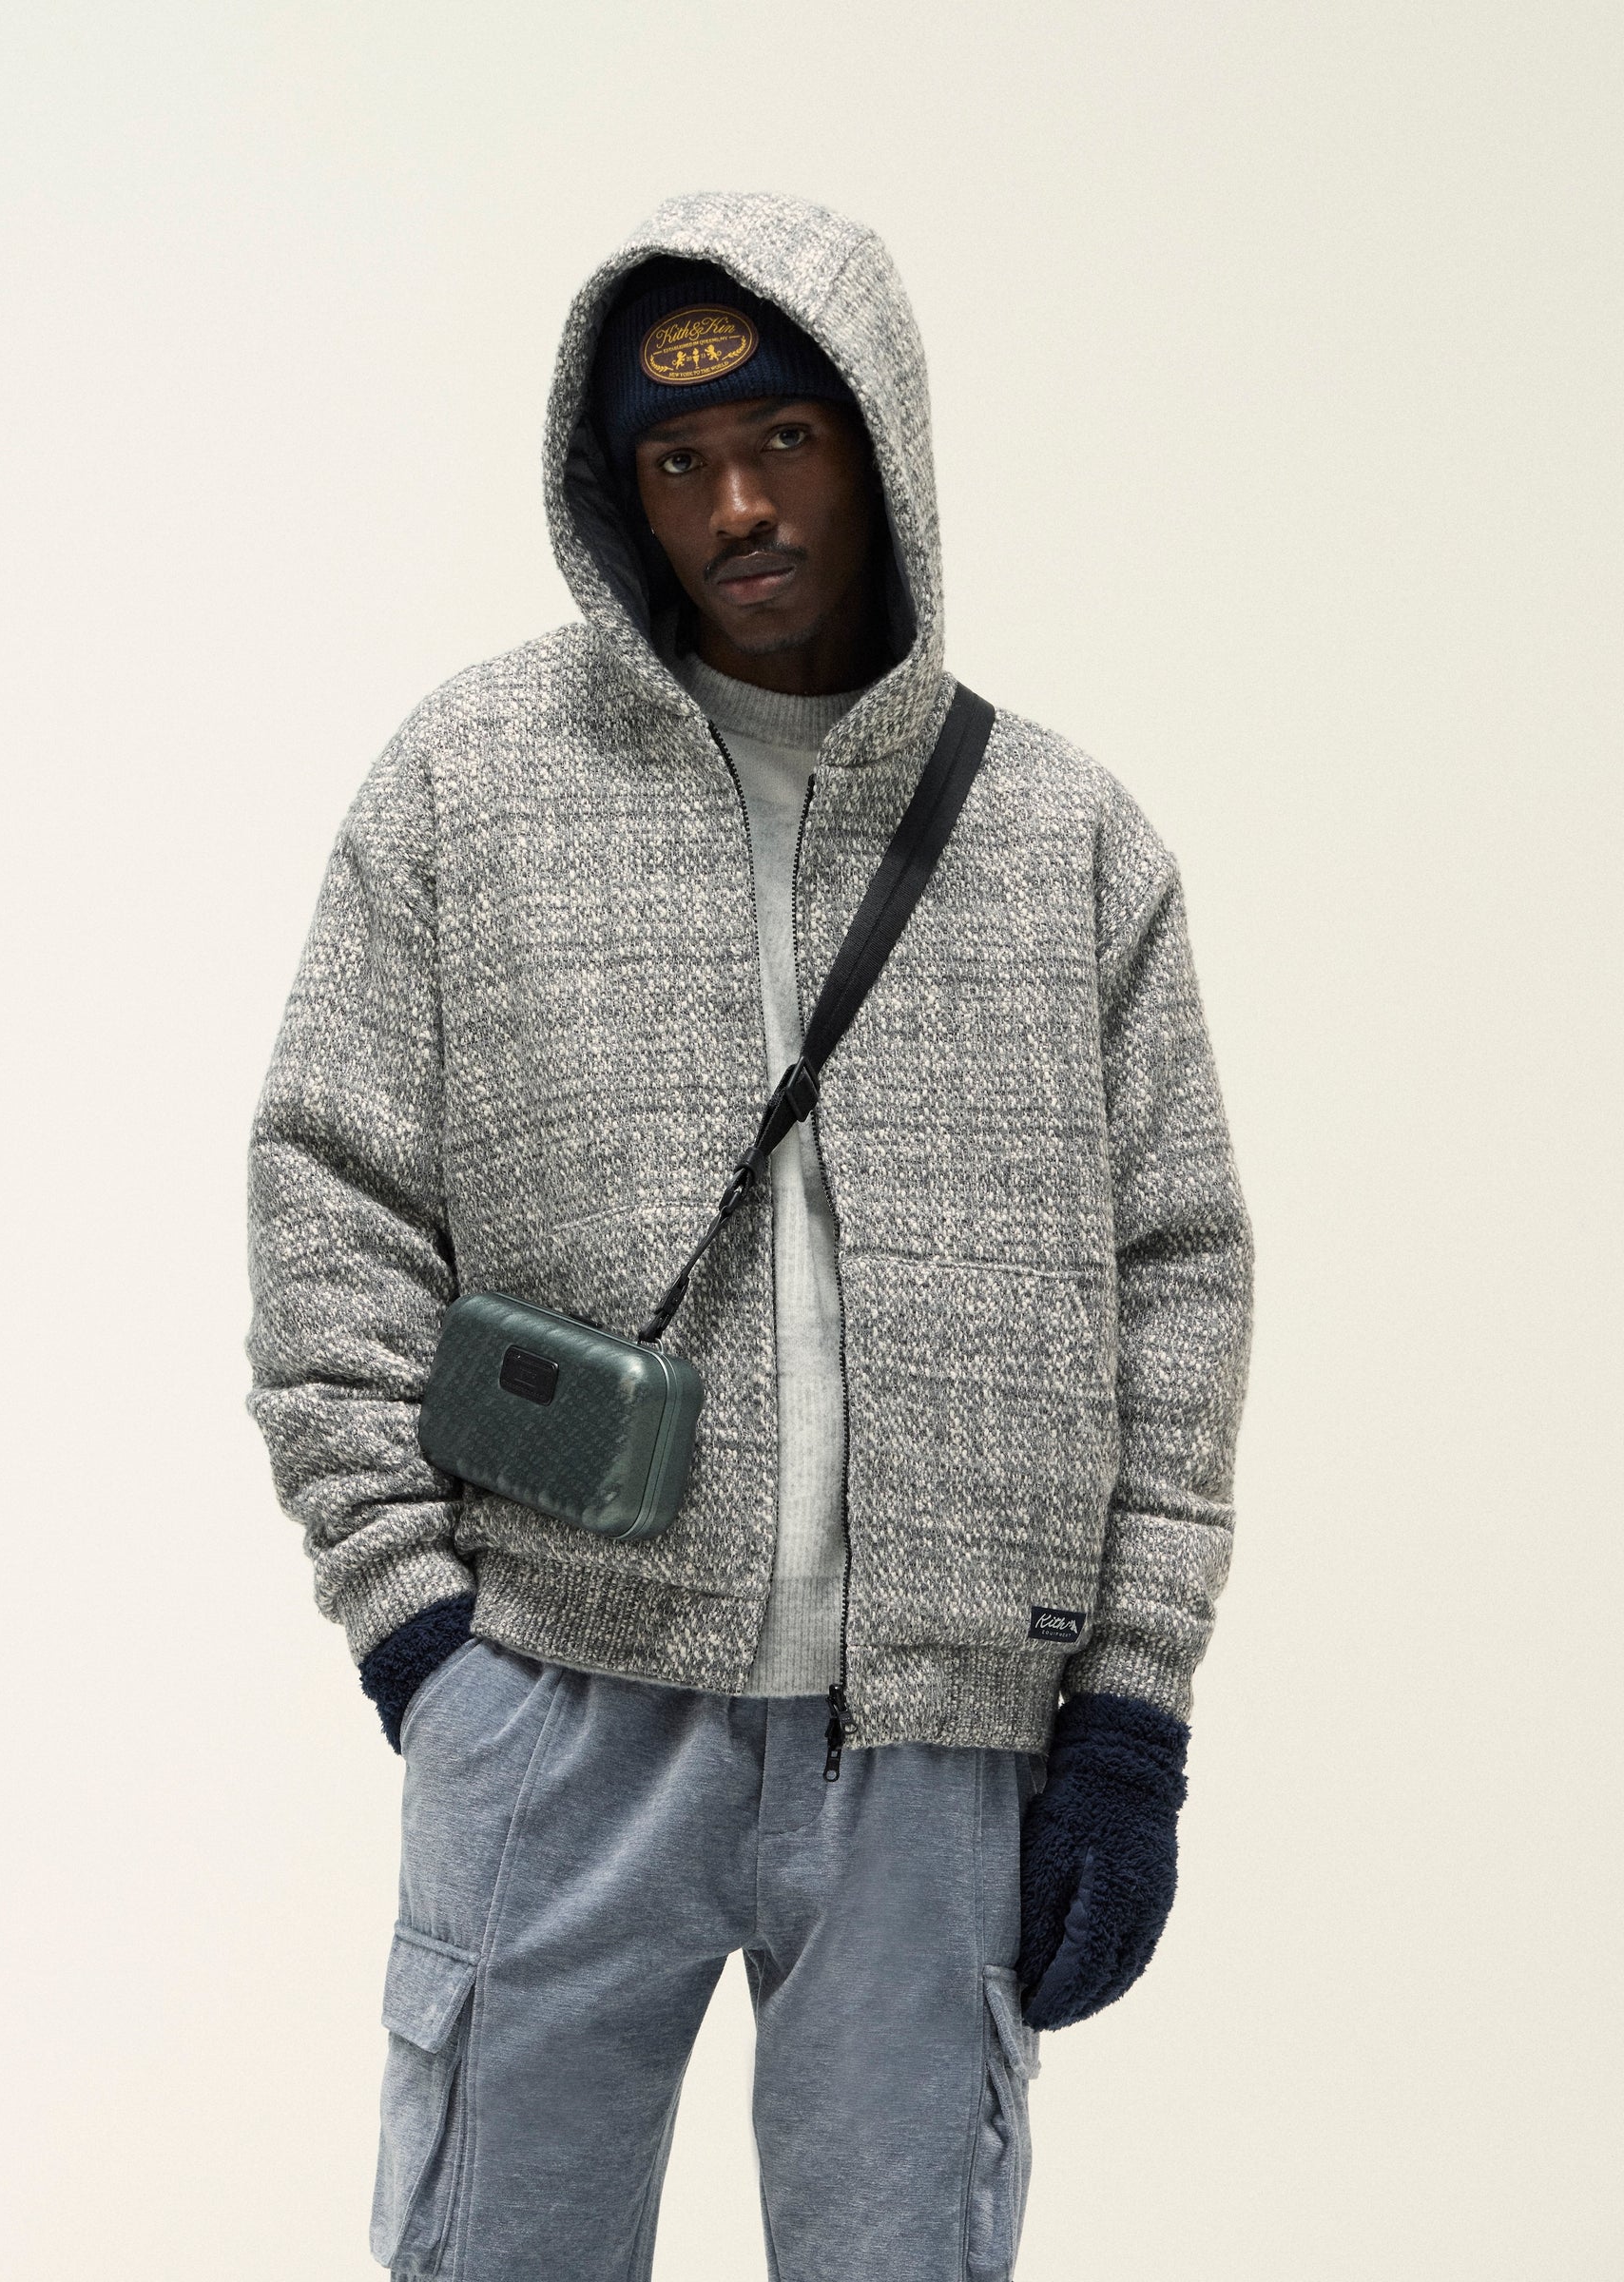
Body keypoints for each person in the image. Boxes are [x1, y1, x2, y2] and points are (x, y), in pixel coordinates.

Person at [246, 190, 1252, 2281]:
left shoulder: (1066, 842)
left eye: (784, 439)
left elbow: (1179, 1275)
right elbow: (331, 1197)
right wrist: (423, 1639)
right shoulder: (467, 787)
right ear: (619, 495)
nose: (738, 506)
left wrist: (1129, 1717)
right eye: (680, 462)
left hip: (938, 1746)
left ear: (879, 444)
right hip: (560, 1704)